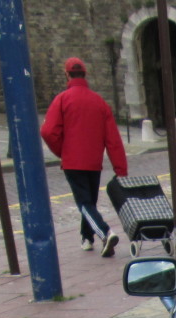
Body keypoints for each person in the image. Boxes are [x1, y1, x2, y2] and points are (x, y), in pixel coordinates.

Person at [40, 57, 127, 257]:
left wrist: (61, 151)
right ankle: (86, 237)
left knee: (84, 203)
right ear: (85, 74)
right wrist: (120, 168)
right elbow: (113, 139)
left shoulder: (62, 99)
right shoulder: (99, 102)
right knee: (89, 201)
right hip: (94, 161)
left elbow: (48, 131)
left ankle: (105, 233)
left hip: (73, 161)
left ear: (67, 74)